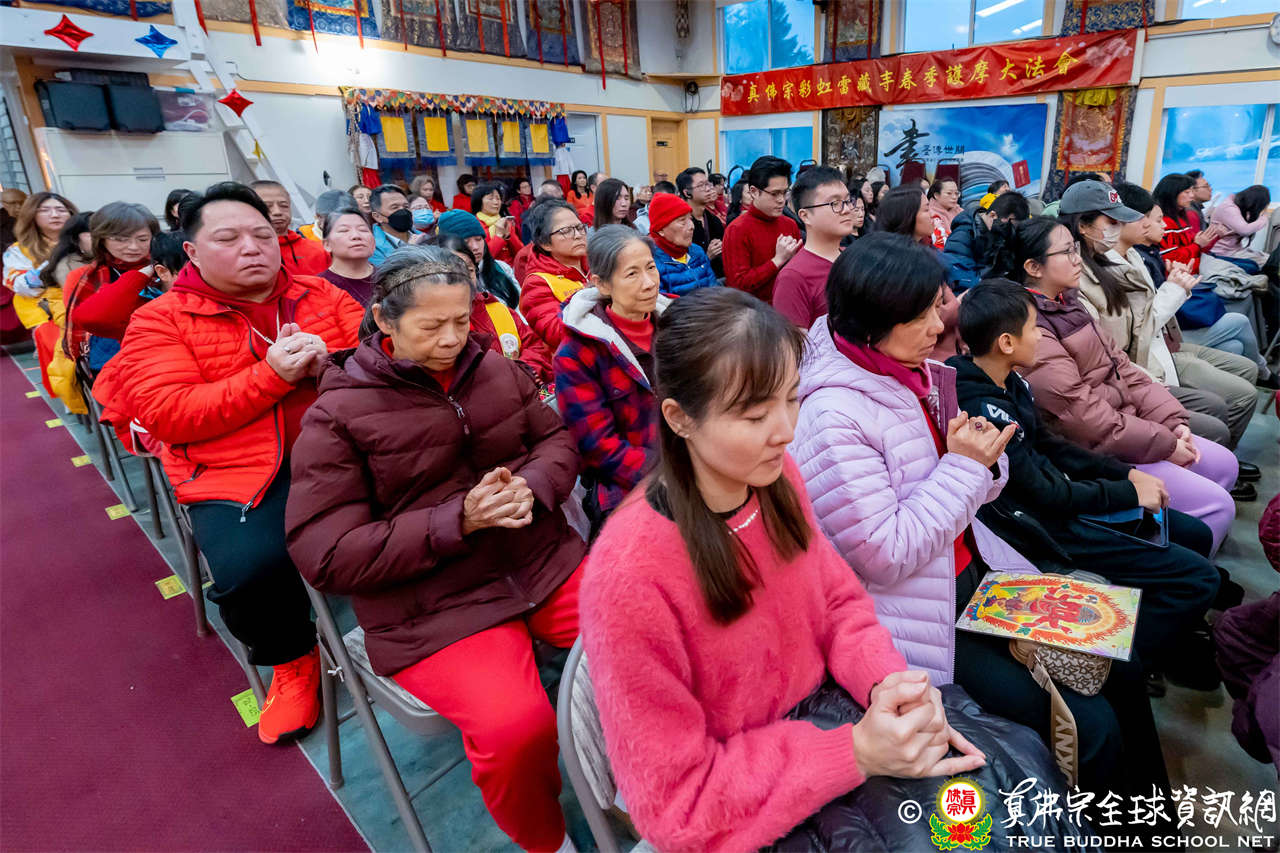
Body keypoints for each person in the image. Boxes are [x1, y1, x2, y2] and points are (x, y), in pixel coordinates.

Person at [579, 288, 1089, 852]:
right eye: (754, 414)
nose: (785, 430)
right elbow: (676, 806)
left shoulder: (775, 479)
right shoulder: (629, 575)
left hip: (831, 722)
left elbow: (840, 606)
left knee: (1022, 785)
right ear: (680, 418)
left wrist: (888, 684)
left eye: (790, 399)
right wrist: (853, 752)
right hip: (755, 798)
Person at [790, 233, 1171, 802]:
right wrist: (967, 466)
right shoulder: (833, 415)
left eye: (937, 305)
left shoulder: (911, 371)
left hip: (976, 573)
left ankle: (1151, 827)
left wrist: (982, 463)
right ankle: (1092, 827)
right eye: (920, 315)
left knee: (1120, 660)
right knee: (1088, 727)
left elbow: (971, 485)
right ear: (872, 324)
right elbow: (885, 555)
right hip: (922, 615)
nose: (939, 325)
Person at [285, 247, 585, 853]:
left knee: (651, 640)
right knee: (515, 730)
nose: (452, 339)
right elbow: (326, 553)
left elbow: (555, 441)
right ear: (384, 321)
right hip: (433, 605)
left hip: (540, 561)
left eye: (460, 320)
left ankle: (635, 784)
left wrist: (532, 485)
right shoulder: (338, 414)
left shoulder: (494, 369)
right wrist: (459, 521)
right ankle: (547, 840)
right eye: (431, 326)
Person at [92, 181, 364, 745]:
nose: (251, 247)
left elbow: (379, 360)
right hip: (238, 473)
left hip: (347, 449)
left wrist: (332, 365)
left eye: (262, 235)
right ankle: (292, 658)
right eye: (229, 237)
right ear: (191, 251)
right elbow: (170, 414)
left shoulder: (322, 295)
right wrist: (273, 375)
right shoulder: (160, 320)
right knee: (251, 569)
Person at [950, 280, 1221, 693]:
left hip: (1062, 501)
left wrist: (1125, 475)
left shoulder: (1010, 381)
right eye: (1034, 328)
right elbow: (1045, 494)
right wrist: (1127, 493)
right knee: (1199, 579)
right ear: (1006, 342)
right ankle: (1130, 667)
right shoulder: (982, 409)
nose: (1040, 336)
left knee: (1195, 534)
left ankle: (1164, 642)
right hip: (1041, 530)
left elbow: (1053, 447)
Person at [989, 214, 1237, 555]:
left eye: (1075, 249)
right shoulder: (1030, 325)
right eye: (1067, 252)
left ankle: (1190, 553)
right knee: (1218, 505)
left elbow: (1124, 367)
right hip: (1096, 451)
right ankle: (1186, 564)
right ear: (1033, 267)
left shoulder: (1069, 302)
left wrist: (1172, 422)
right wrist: (1164, 443)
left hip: (1127, 424)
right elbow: (1079, 416)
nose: (1077, 259)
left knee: (1224, 464)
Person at [1096, 184, 1264, 481]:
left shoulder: (1137, 255)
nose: (1157, 225)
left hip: (1164, 344)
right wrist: (1176, 288)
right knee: (1236, 375)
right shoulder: (1104, 270)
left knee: (1239, 354)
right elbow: (1131, 338)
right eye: (1152, 219)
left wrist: (1178, 281)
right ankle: (1214, 466)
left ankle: (1221, 463)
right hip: (1148, 357)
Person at [555, 225, 669, 534]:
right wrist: (667, 473)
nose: (649, 283)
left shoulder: (676, 325)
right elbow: (598, 446)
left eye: (651, 268)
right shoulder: (578, 352)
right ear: (602, 284)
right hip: (628, 481)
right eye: (632, 274)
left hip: (692, 462)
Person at [433, 232, 553, 385]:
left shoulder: (497, 309)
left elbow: (535, 346)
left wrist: (524, 370)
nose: (464, 278)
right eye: (452, 273)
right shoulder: (433, 327)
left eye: (469, 270)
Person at [64, 202, 161, 374]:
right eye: (121, 239)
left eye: (142, 239)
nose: (133, 247)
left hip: (162, 351)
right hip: (112, 363)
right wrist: (136, 278)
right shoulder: (83, 278)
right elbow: (87, 320)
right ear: (102, 240)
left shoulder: (164, 268)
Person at [880, 185, 962, 360]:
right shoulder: (895, 265)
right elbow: (925, 317)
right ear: (907, 216)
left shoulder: (927, 252)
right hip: (925, 355)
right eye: (926, 210)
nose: (933, 215)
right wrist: (959, 302)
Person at [773, 166, 855, 329]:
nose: (846, 210)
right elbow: (793, 343)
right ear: (805, 216)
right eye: (835, 203)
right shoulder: (793, 278)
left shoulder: (852, 258)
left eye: (847, 201)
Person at [721, 155, 801, 303]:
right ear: (754, 192)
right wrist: (777, 261)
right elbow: (738, 285)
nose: (781, 200)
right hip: (755, 311)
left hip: (789, 304)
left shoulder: (790, 224)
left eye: (785, 192)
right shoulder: (737, 230)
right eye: (774, 194)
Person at [519, 200, 589, 351]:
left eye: (579, 228)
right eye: (566, 231)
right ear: (545, 243)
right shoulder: (537, 283)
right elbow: (558, 334)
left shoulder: (597, 265)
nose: (578, 235)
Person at [3, 191, 76, 329]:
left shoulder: (85, 240)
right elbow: (18, 284)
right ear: (31, 216)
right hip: (45, 313)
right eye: (44, 210)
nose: (55, 215)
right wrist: (47, 271)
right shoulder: (18, 250)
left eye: (61, 210)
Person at [942, 192, 1031, 292]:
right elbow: (961, 278)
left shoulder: (1002, 235)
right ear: (993, 215)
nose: (1010, 231)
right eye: (1010, 226)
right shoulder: (963, 235)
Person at [435, 209, 521, 309]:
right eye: (466, 241)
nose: (475, 247)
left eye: (479, 239)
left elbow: (521, 306)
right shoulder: (442, 283)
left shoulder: (502, 268)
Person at [250, 181, 329, 277]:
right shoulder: (246, 254)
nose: (277, 212)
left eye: (284, 206)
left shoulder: (320, 251)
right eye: (267, 206)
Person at [1154, 173, 1227, 274]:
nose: (1192, 196)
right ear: (1172, 193)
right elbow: (1169, 260)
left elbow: (1198, 251)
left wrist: (1213, 238)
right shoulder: (1164, 222)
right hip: (1182, 274)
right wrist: (1197, 245)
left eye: (1192, 191)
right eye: (1187, 192)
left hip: (1196, 269)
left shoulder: (1181, 218)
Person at [645, 193, 718, 296]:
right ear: (660, 230)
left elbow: (714, 289)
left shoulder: (697, 252)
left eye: (690, 219)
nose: (691, 226)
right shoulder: (651, 263)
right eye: (682, 221)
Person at [318, 207, 376, 306]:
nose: (356, 236)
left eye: (363, 230)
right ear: (327, 244)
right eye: (344, 230)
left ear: (374, 242)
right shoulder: (319, 287)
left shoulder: (390, 277)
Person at [1208, 185, 1271, 273]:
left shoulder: (1236, 205)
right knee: (1268, 262)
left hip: (1233, 250)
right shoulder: (1228, 208)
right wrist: (1264, 218)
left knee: (1269, 258)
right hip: (1222, 252)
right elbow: (1245, 230)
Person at [676, 166, 724, 278]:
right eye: (701, 185)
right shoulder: (680, 224)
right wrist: (707, 256)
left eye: (708, 184)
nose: (708, 189)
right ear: (687, 193)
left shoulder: (714, 220)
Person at [39, 212, 94, 295]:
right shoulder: (67, 267)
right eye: (93, 234)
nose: (101, 238)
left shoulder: (108, 258)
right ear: (75, 238)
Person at [471, 181, 522, 264]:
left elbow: (520, 252)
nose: (496, 202)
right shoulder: (474, 225)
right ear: (479, 201)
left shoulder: (504, 222)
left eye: (498, 199)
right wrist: (499, 236)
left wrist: (509, 235)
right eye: (491, 199)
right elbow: (483, 258)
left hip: (509, 269)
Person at [369, 184, 415, 266]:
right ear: (377, 216)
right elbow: (388, 272)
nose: (403, 211)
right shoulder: (371, 248)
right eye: (395, 207)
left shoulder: (424, 237)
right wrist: (410, 249)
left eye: (406, 206)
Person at [927, 178, 961, 250]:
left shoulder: (959, 210)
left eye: (956, 193)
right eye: (949, 193)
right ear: (936, 195)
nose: (954, 197)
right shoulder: (930, 214)